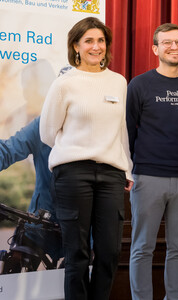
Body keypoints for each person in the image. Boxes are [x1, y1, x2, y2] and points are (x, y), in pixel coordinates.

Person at [39, 16, 133, 300]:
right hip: (73, 175)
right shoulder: (65, 84)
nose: (96, 47)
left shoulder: (118, 82)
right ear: (76, 46)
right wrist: (76, 149)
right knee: (77, 254)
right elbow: (47, 133)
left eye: (101, 40)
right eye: (89, 41)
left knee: (109, 252)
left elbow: (122, 130)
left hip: (111, 176)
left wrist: (126, 168)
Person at [126, 23, 178, 300]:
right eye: (167, 43)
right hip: (148, 177)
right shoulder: (140, 85)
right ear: (155, 48)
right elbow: (129, 130)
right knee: (142, 247)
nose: (174, 47)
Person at [0, 117, 61, 261]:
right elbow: (9, 149)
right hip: (38, 223)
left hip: (81, 226)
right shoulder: (44, 123)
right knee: (14, 264)